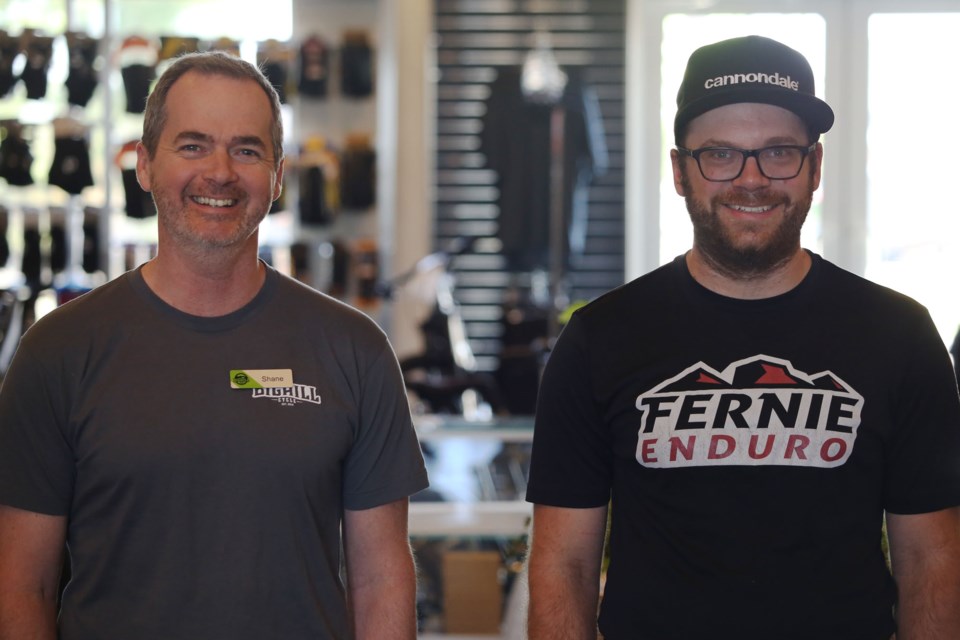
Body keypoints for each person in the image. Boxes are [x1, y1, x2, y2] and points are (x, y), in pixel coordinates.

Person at [525, 35, 960, 640]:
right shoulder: (600, 338)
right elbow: (563, 565)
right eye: (721, 155)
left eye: (779, 152)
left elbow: (929, 560)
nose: (751, 180)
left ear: (815, 167)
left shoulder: (901, 335)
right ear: (680, 172)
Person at [0, 51, 428, 640]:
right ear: (144, 165)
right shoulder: (59, 351)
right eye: (193, 145)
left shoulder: (354, 350)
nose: (220, 172)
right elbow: (22, 587)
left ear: (277, 177)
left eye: (247, 150)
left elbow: (380, 581)